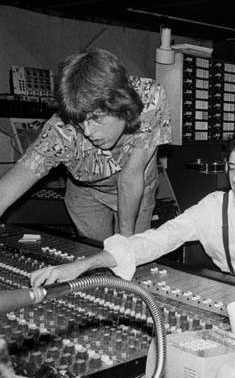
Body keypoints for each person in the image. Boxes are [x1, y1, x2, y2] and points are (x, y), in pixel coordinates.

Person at [30, 131, 235, 296]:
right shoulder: (212, 208)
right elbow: (156, 240)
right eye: (232, 168)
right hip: (233, 291)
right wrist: (82, 265)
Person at [0, 48, 171, 241]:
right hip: (86, 192)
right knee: (95, 252)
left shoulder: (150, 98)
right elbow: (5, 192)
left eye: (96, 118)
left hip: (137, 186)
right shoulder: (60, 131)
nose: (88, 131)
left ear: (121, 104)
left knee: (134, 251)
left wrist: (125, 244)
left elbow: (130, 178)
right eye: (80, 121)